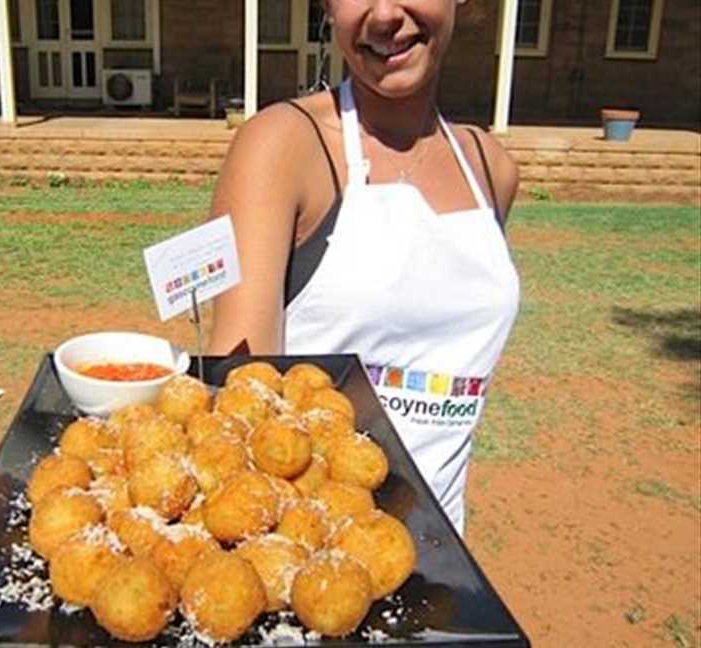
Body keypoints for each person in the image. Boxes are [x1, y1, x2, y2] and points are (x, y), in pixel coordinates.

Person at [207, 0, 520, 534]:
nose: (382, 16)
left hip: (440, 547)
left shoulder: (490, 168)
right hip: (308, 556)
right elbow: (239, 389)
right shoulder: (283, 144)